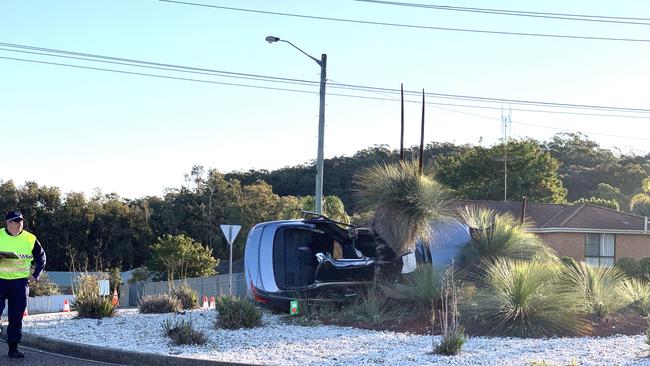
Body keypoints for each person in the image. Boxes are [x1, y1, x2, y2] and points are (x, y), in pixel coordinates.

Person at [0, 211, 46, 358]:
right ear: (8, 223)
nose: (20, 224)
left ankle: (13, 349)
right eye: (16, 222)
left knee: (16, 317)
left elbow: (41, 258)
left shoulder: (30, 239)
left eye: (21, 221)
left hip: (20, 283)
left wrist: (36, 275)